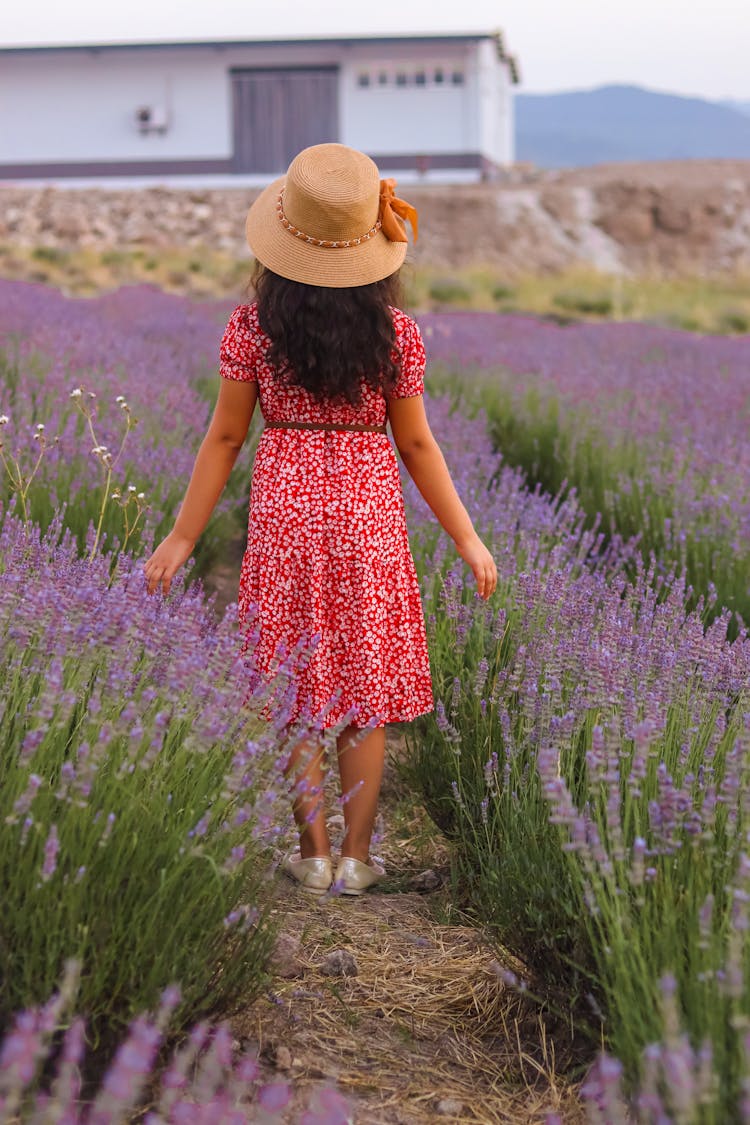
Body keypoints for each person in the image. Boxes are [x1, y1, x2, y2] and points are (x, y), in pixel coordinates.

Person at [144, 143, 497, 897]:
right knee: (363, 689)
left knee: (297, 683)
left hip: (285, 505)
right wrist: (466, 536)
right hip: (367, 506)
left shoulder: (252, 327)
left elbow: (228, 437)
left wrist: (182, 536)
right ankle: (360, 858)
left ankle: (310, 855)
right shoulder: (396, 333)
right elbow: (416, 442)